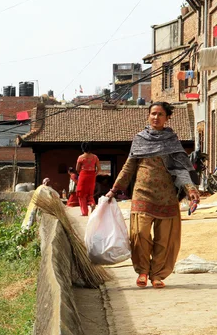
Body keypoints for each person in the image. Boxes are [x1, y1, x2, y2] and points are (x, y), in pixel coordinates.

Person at [106, 102, 200, 289]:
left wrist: (190, 189)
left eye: (160, 114)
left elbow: (180, 170)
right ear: (148, 116)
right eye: (153, 114)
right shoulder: (140, 139)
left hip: (167, 196)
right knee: (140, 234)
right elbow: (129, 166)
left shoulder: (172, 141)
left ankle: (157, 274)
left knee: (163, 238)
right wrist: (114, 190)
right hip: (142, 193)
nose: (156, 117)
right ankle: (142, 270)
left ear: (167, 118)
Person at [76, 142, 100, 216]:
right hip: (92, 176)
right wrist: (94, 175)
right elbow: (99, 169)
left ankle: (84, 212)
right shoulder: (95, 157)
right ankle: (92, 203)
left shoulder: (81, 157)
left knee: (81, 193)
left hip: (83, 175)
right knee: (90, 193)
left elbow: (77, 169)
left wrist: (82, 174)